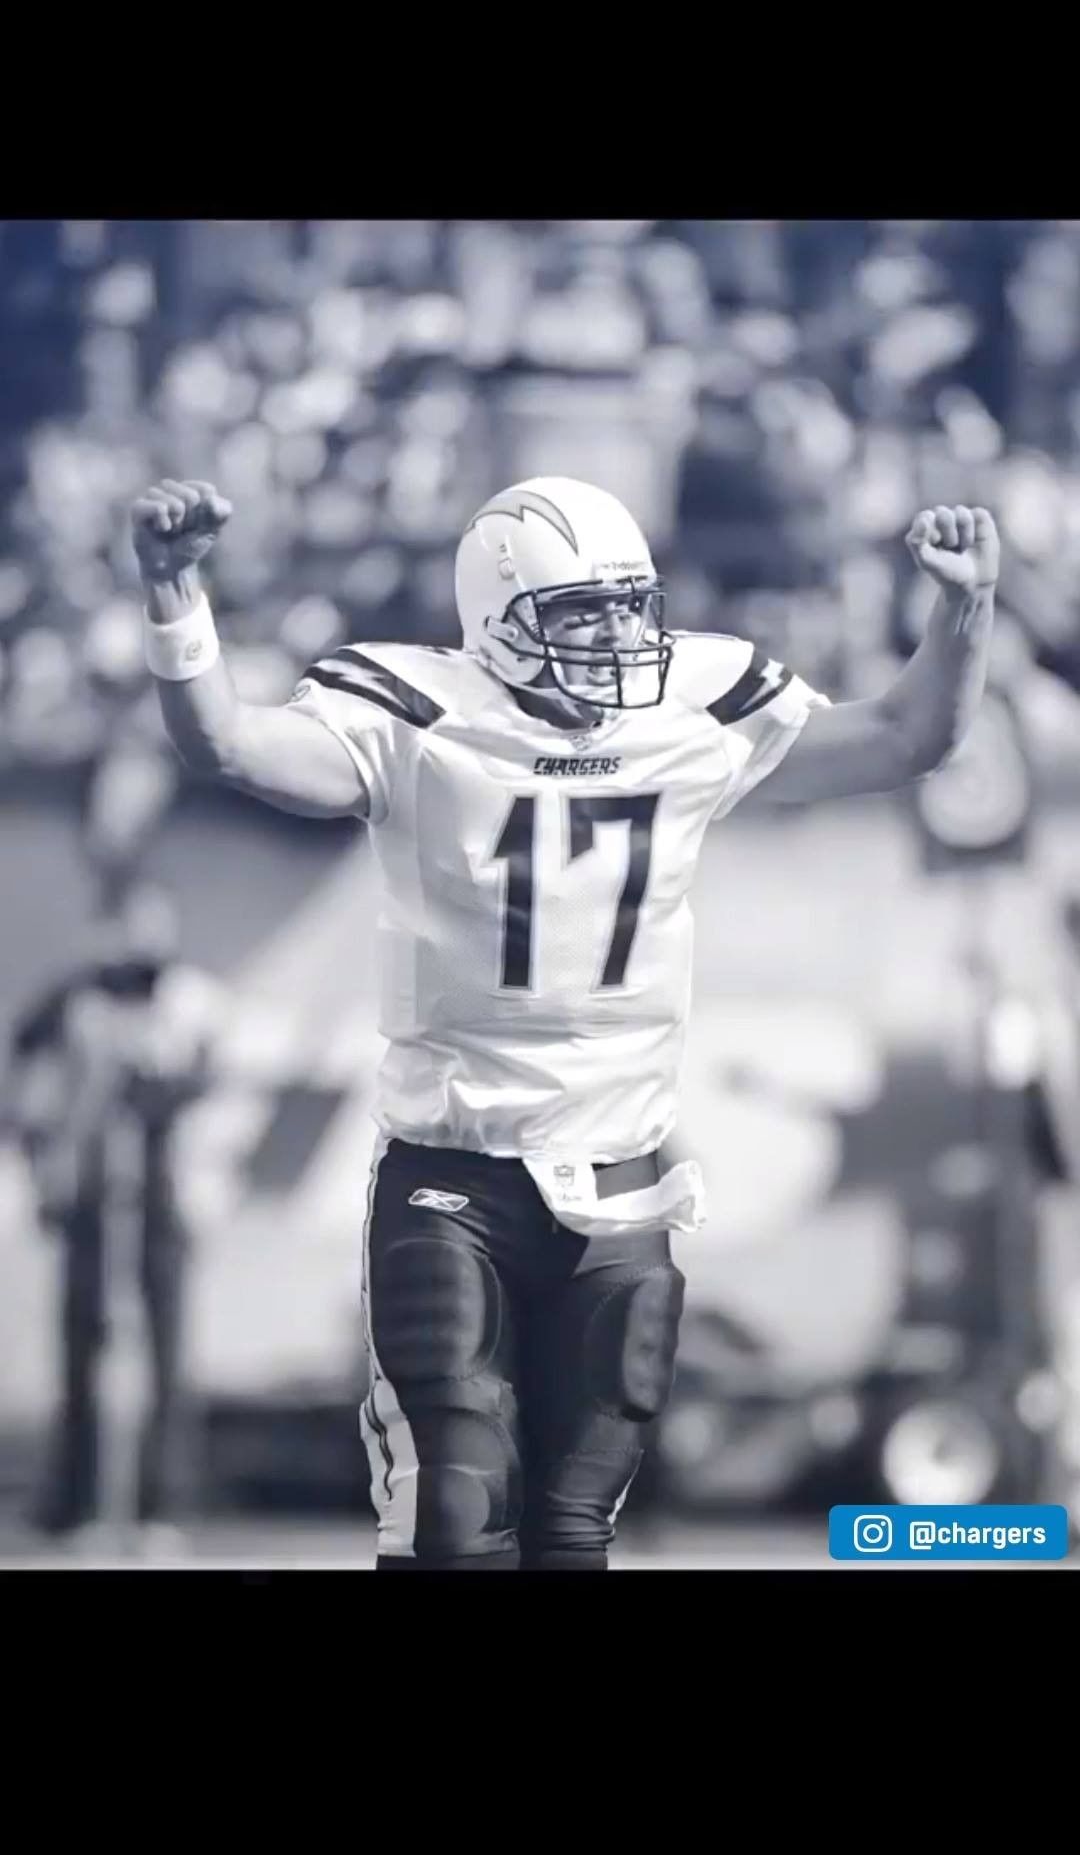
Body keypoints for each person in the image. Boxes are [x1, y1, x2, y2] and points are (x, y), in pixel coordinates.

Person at [130, 474, 999, 1569]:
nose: (618, 635)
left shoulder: (694, 706)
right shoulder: (418, 717)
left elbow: (907, 737)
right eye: (582, 611)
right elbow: (228, 745)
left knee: (574, 1527)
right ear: (497, 618)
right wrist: (176, 597)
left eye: (630, 606)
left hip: (621, 1178)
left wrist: (964, 608)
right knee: (452, 1512)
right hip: (456, 1175)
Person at [7, 882, 216, 1542]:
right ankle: (73, 1502)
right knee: (82, 1349)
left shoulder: (192, 1002)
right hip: (91, 1198)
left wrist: (155, 1085)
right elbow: (28, 1068)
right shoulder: (74, 1000)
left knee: (164, 1358)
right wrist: (46, 1155)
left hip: (161, 1197)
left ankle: (159, 1508)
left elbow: (206, 1083)